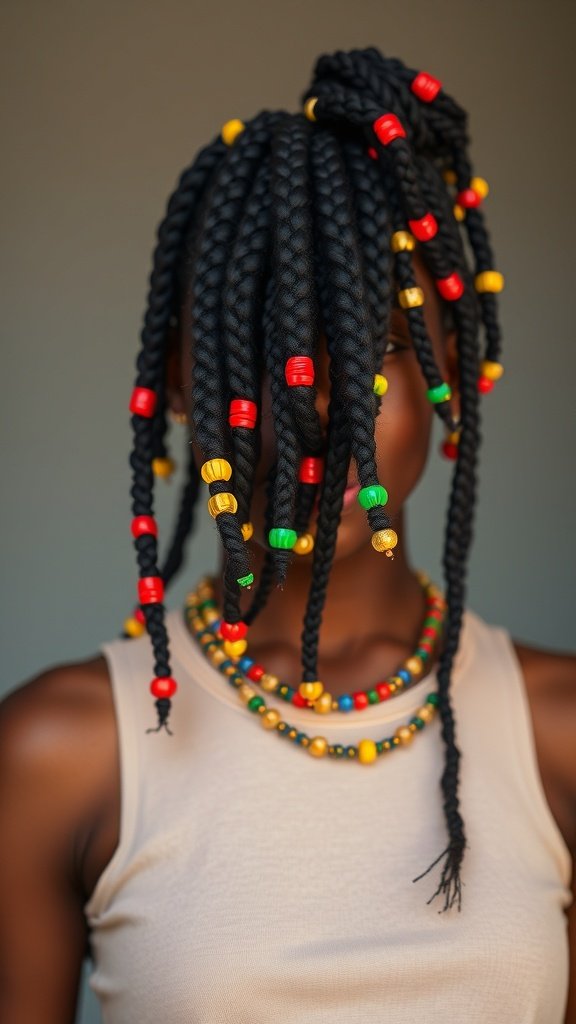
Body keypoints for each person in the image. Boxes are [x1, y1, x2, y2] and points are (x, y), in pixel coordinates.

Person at [0, 45, 574, 1024]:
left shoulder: (560, 733)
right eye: (257, 349)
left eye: (378, 348)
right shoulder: (59, 753)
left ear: (448, 367)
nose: (319, 409)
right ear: (180, 379)